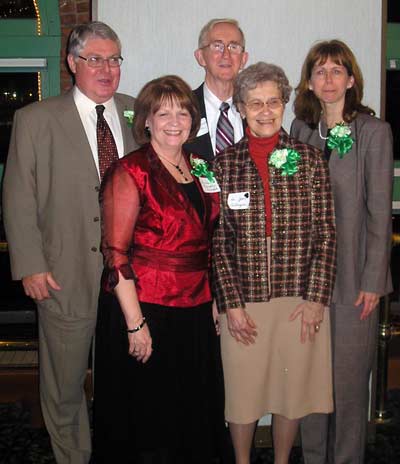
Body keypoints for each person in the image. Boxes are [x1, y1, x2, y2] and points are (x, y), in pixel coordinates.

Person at [2, 21, 137, 463]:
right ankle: (73, 456)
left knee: (124, 375)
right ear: (72, 62)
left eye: (113, 59)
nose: (106, 69)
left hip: (132, 277)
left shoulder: (139, 112)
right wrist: (30, 265)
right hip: (63, 273)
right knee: (64, 382)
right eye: (95, 59)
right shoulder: (35, 119)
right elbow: (18, 197)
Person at [93, 75, 225, 464]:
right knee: (151, 417)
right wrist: (135, 323)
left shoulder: (201, 167)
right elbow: (115, 254)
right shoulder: (130, 171)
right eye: (163, 112)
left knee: (193, 411)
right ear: (146, 120)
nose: (174, 120)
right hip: (148, 307)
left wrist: (216, 299)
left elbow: (211, 239)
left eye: (182, 111)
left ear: (193, 120)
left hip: (196, 309)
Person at [212, 61, 336, 464]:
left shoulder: (310, 160)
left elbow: (326, 234)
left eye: (273, 103)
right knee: (243, 392)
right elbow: (218, 241)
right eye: (254, 104)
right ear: (241, 108)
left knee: (291, 391)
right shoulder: (223, 165)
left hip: (298, 297)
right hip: (244, 300)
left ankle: (283, 460)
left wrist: (318, 299)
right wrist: (230, 303)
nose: (265, 112)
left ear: (284, 105)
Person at [291, 39, 393, 464]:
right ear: (310, 83)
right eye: (320, 71)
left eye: (337, 70)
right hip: (308, 282)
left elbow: (379, 212)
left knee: (350, 386)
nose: (328, 79)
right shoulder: (300, 130)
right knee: (311, 383)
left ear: (351, 80)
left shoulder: (373, 132)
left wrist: (373, 282)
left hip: (355, 281)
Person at [183, 18, 248, 161]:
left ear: (243, 59)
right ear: (200, 57)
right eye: (217, 46)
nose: (226, 55)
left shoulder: (258, 111)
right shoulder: (182, 108)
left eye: (233, 47)